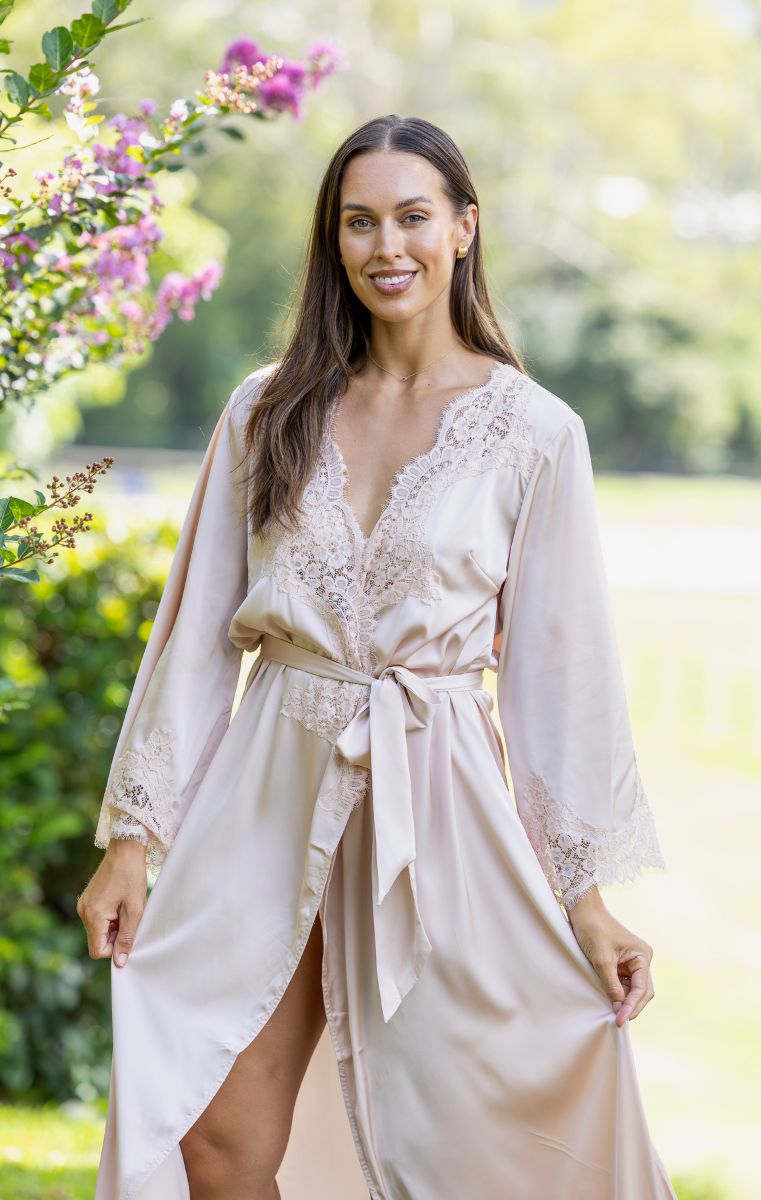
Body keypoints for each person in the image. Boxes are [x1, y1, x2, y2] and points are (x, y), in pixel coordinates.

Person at [78, 113, 677, 1200]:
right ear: (333, 239)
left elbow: (561, 681)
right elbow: (196, 636)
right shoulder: (267, 408)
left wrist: (585, 899)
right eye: (359, 222)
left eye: (412, 216)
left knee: (463, 1152)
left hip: (437, 800)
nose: (385, 246)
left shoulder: (536, 433)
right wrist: (134, 837)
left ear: (463, 228)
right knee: (213, 1143)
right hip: (268, 790)